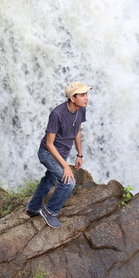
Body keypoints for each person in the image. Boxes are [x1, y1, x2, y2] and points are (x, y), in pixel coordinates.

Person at [26, 81, 92, 228]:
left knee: (49, 181)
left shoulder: (81, 109)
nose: (86, 97)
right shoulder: (57, 114)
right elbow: (49, 144)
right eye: (82, 95)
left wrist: (79, 154)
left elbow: (77, 131)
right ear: (72, 98)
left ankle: (32, 208)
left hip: (63, 153)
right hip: (48, 153)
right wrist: (65, 166)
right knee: (68, 182)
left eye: (86, 94)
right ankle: (49, 211)